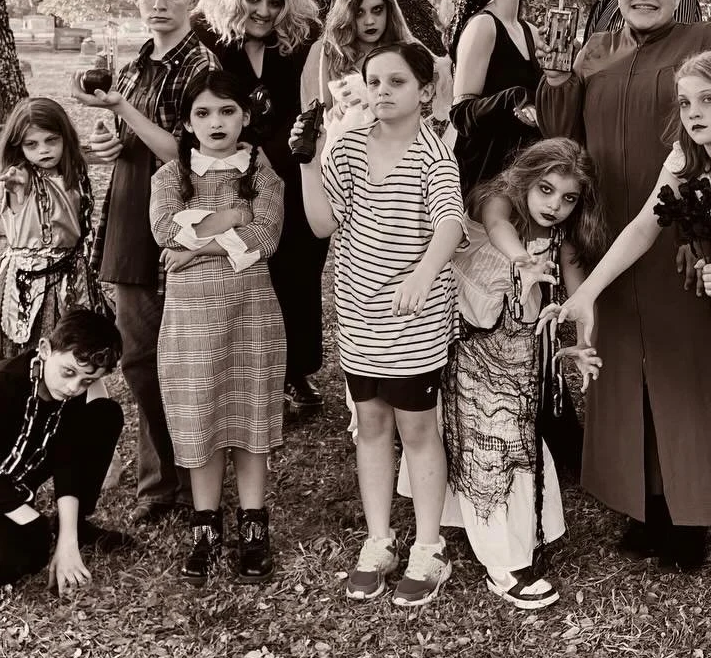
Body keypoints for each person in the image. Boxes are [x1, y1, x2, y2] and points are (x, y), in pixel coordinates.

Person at [538, 0, 711, 566]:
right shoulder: (594, 51)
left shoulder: (704, 39)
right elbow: (562, 134)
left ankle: (690, 514)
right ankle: (643, 502)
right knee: (623, 365)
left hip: (682, 230)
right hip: (610, 230)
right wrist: (554, 81)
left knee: (688, 371)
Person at [300, 40, 466, 608]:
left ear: (425, 91)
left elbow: (450, 220)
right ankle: (379, 541)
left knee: (417, 432)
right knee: (369, 426)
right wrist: (308, 160)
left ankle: (429, 546)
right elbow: (323, 224)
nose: (383, 93)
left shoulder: (434, 155)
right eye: (374, 82)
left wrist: (424, 273)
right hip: (359, 314)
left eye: (397, 82)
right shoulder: (347, 149)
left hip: (414, 321)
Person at [75, 0, 215, 526]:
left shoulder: (200, 66)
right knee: (137, 360)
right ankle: (159, 483)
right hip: (130, 217)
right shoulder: (135, 63)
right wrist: (108, 141)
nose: (158, 4)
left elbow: (190, 151)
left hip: (179, 224)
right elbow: (133, 142)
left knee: (176, 360)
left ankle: (186, 484)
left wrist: (125, 112)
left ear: (194, 0)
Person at [453, 138, 607, 607]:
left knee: (512, 440)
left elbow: (581, 298)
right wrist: (522, 259)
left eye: (568, 198)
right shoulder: (496, 197)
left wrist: (583, 345)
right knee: (489, 442)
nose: (555, 206)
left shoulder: (562, 235)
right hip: (471, 346)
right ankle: (504, 565)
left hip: (521, 355)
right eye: (545, 190)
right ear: (525, 178)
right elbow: (498, 225)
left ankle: (511, 535)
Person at [150, 68, 287, 584]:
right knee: (201, 415)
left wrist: (200, 243)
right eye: (203, 113)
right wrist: (230, 219)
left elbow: (267, 236)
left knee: (249, 416)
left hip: (251, 312)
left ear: (245, 117)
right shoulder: (171, 175)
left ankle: (254, 528)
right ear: (187, 121)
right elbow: (166, 233)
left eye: (227, 111)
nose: (216, 122)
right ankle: (205, 528)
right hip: (190, 319)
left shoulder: (262, 171)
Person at [195, 0, 327, 419]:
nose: (265, 11)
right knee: (244, 270)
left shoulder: (301, 42)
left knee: (297, 270)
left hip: (292, 175)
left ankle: (295, 373)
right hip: (231, 175)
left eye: (275, 1)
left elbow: (315, 105)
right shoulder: (206, 39)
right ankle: (244, 373)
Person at [0, 308, 127, 592]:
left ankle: (71, 525)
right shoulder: (4, 382)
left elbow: (68, 459)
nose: (74, 387)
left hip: (21, 475)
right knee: (1, 563)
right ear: (46, 349)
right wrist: (34, 524)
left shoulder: (72, 390)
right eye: (69, 372)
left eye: (86, 380)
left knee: (104, 414)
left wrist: (67, 539)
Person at [0, 98, 104, 366]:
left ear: (65, 139)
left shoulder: (74, 175)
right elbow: (17, 188)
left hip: (70, 276)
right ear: (18, 147)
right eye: (31, 144)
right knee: (31, 347)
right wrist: (17, 187)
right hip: (31, 280)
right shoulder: (20, 178)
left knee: (73, 349)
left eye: (51, 141)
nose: (44, 151)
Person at [449, 0, 543, 198]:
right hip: (486, 173)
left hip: (527, 170)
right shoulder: (483, 25)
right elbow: (461, 113)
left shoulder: (533, 33)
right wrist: (514, 98)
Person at [306, 0, 452, 126]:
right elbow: (322, 118)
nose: (369, 21)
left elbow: (445, 80)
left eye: (377, 10)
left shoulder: (406, 47)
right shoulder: (332, 52)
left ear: (389, 11)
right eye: (359, 13)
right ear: (347, 15)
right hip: (349, 144)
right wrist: (342, 108)